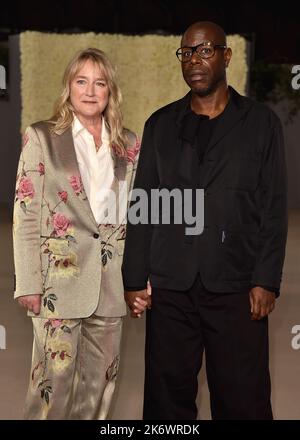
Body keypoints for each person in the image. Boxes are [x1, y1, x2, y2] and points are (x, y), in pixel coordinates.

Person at [122, 21, 288, 420]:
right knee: (166, 400)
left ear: (226, 56)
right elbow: (143, 205)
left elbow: (273, 206)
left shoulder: (261, 124)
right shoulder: (160, 125)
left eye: (205, 50)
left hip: (236, 285)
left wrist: (266, 279)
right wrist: (133, 279)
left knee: (242, 396)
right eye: (186, 53)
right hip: (171, 286)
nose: (194, 60)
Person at [13, 48, 140, 419]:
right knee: (52, 385)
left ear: (110, 91)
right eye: (81, 81)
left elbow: (134, 218)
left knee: (100, 385)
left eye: (99, 83)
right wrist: (28, 282)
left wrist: (139, 278)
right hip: (57, 284)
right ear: (68, 87)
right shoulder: (42, 138)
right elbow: (26, 215)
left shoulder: (129, 146)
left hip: (111, 284)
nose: (89, 90)